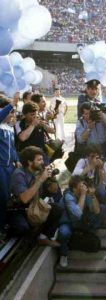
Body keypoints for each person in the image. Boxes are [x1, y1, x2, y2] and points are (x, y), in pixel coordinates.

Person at [9, 146, 63, 246]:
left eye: (42, 159)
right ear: (30, 162)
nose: (42, 162)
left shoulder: (38, 172)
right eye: (39, 160)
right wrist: (41, 180)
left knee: (57, 209)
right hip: (19, 211)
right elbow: (24, 199)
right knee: (23, 227)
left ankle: (42, 237)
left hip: (34, 207)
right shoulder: (19, 174)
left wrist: (51, 180)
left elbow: (53, 191)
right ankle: (30, 237)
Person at [58, 175, 103, 267]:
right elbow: (77, 214)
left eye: (84, 184)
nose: (84, 187)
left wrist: (92, 195)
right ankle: (63, 254)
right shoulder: (68, 196)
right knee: (63, 232)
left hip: (80, 222)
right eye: (81, 185)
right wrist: (83, 195)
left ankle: (88, 233)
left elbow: (96, 210)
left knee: (102, 209)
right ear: (74, 188)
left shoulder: (85, 194)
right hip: (68, 222)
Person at [0, 96, 20, 242]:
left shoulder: (9, 127)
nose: (13, 115)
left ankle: (5, 225)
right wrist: (12, 103)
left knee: (8, 197)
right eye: (10, 112)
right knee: (1, 198)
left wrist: (17, 161)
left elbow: (12, 148)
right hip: (0, 167)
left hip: (9, 168)